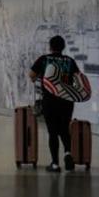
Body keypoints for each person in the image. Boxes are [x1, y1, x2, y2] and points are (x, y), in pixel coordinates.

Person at [29, 35, 80, 173]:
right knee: (64, 129)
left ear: (50, 47)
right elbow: (78, 79)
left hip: (50, 100)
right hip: (67, 100)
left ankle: (55, 164)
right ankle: (68, 153)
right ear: (63, 47)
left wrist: (41, 78)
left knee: (52, 131)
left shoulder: (44, 59)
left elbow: (32, 75)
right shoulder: (70, 61)